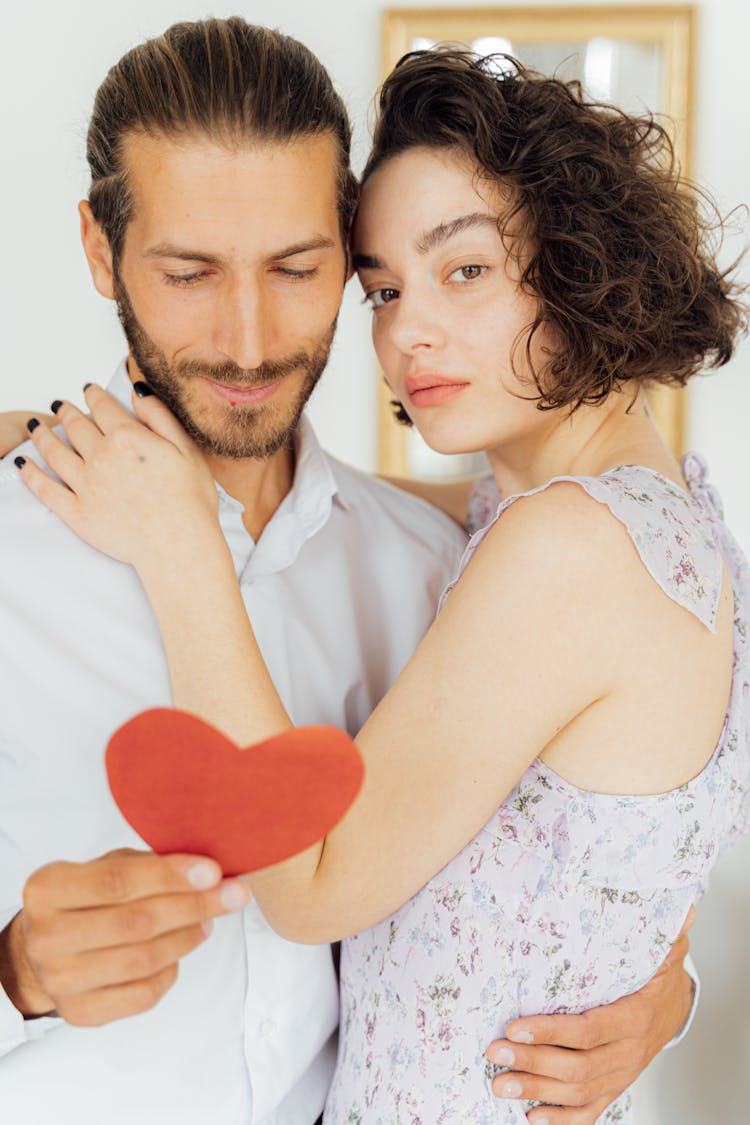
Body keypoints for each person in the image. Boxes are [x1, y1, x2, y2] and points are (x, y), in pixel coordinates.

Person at [15, 45, 749, 1125]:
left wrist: (661, 984)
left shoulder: (506, 557)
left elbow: (326, 885)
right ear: (100, 248)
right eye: (387, 290)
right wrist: (13, 973)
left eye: (303, 269)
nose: (407, 334)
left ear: (579, 255)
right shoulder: (532, 523)